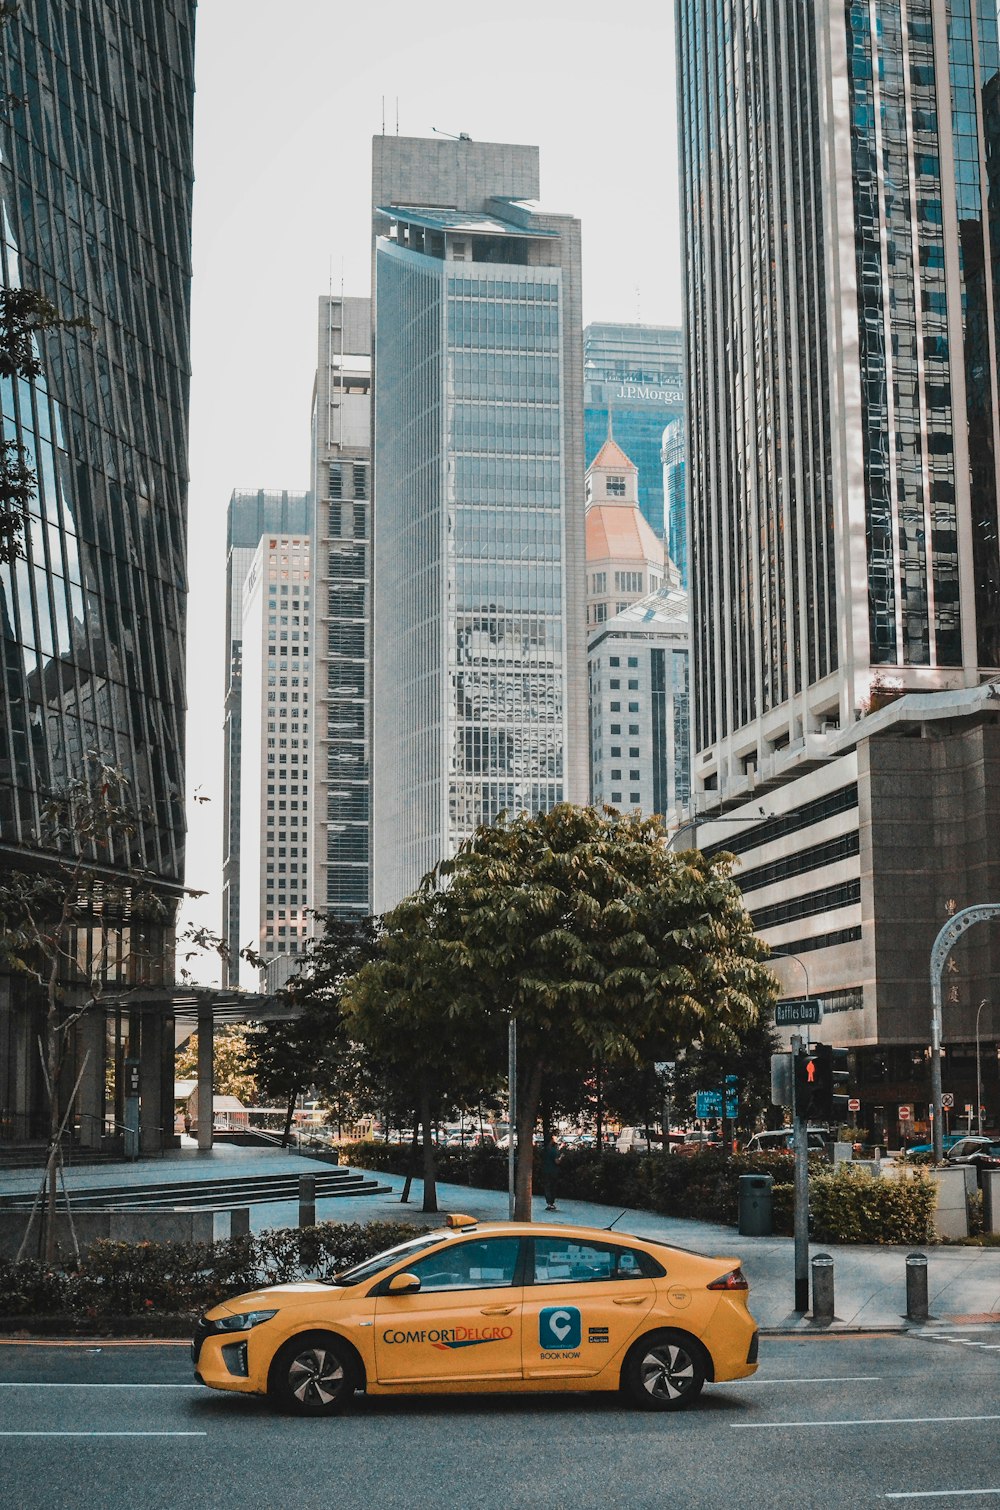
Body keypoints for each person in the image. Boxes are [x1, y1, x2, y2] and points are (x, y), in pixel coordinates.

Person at [542, 1132, 562, 1211]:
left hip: (546, 1170)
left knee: (547, 1187)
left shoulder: (545, 1150)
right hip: (553, 1171)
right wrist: (561, 1158)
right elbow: (557, 1161)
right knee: (553, 1187)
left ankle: (549, 1203)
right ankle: (551, 1203)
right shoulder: (554, 1150)